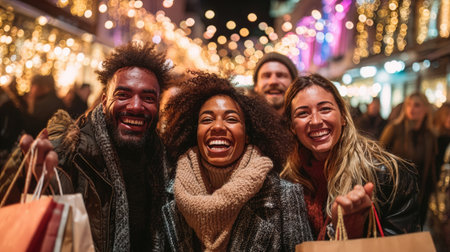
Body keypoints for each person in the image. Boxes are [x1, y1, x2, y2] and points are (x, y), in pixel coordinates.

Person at [0, 41, 171, 251]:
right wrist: (39, 182)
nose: (136, 106)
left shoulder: (165, 161)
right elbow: (10, 216)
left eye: (148, 97)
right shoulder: (65, 151)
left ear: (157, 105)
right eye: (123, 95)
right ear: (104, 100)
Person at [161, 72, 312, 251]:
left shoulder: (283, 196)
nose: (217, 127)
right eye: (207, 119)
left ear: (248, 135)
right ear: (195, 133)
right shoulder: (167, 194)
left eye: (231, 119)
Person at [281, 74, 420, 240]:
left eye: (325, 109)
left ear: (343, 117)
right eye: (303, 113)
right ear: (292, 127)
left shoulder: (388, 174)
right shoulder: (288, 180)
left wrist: (354, 232)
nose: (316, 121)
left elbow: (401, 245)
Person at [380, 92, 437, 227]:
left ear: (426, 109)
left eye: (417, 105)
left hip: (420, 195)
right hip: (395, 195)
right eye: (409, 105)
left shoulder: (430, 135)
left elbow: (431, 168)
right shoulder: (394, 129)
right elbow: (379, 159)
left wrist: (432, 193)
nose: (412, 109)